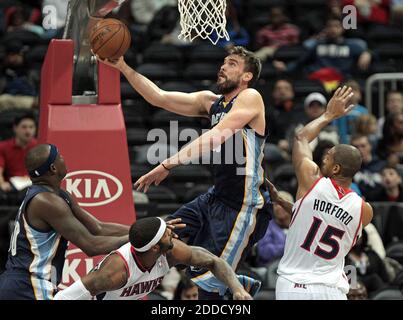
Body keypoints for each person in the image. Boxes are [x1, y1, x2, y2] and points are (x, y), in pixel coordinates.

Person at [97, 46, 270, 299]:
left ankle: (234, 288)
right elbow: (159, 98)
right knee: (161, 239)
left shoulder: (251, 97)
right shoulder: (211, 102)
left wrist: (168, 164)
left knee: (208, 285)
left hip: (242, 206)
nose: (223, 66)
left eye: (232, 64)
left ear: (247, 76)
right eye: (223, 62)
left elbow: (216, 135)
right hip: (214, 198)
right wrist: (123, 66)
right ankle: (237, 284)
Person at [275, 86, 373, 300]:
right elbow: (326, 222)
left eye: (328, 157)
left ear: (336, 168)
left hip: (294, 285)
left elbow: (301, 137)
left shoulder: (311, 180)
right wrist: (289, 207)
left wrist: (329, 115)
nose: (323, 159)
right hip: (332, 290)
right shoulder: (364, 210)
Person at [0, 144, 130, 300]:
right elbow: (92, 245)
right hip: (27, 286)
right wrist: (139, 238)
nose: (64, 158)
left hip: (28, 284)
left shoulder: (59, 195)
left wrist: (144, 229)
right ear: (53, 168)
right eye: (60, 156)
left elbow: (98, 228)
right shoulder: (45, 202)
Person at [54, 217, 252, 300]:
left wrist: (237, 289)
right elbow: (64, 297)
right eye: (167, 233)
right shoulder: (115, 271)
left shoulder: (172, 251)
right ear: (155, 247)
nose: (173, 235)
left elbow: (214, 261)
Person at [0, 113, 37, 193]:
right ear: (15, 128)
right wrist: (2, 183)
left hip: (34, 184)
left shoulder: (40, 146)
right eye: (24, 127)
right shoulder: (3, 147)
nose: (28, 131)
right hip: (12, 186)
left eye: (31, 127)